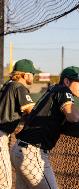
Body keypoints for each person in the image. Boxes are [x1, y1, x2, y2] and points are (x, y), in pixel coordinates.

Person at [11, 66, 79, 189]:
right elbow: (72, 116)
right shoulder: (63, 90)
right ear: (67, 81)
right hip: (32, 153)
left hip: (20, 150)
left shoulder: (54, 89)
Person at [0, 59, 36, 189]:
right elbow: (31, 111)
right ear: (25, 75)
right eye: (33, 74)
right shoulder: (19, 87)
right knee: (4, 184)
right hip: (0, 136)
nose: (34, 77)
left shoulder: (8, 85)